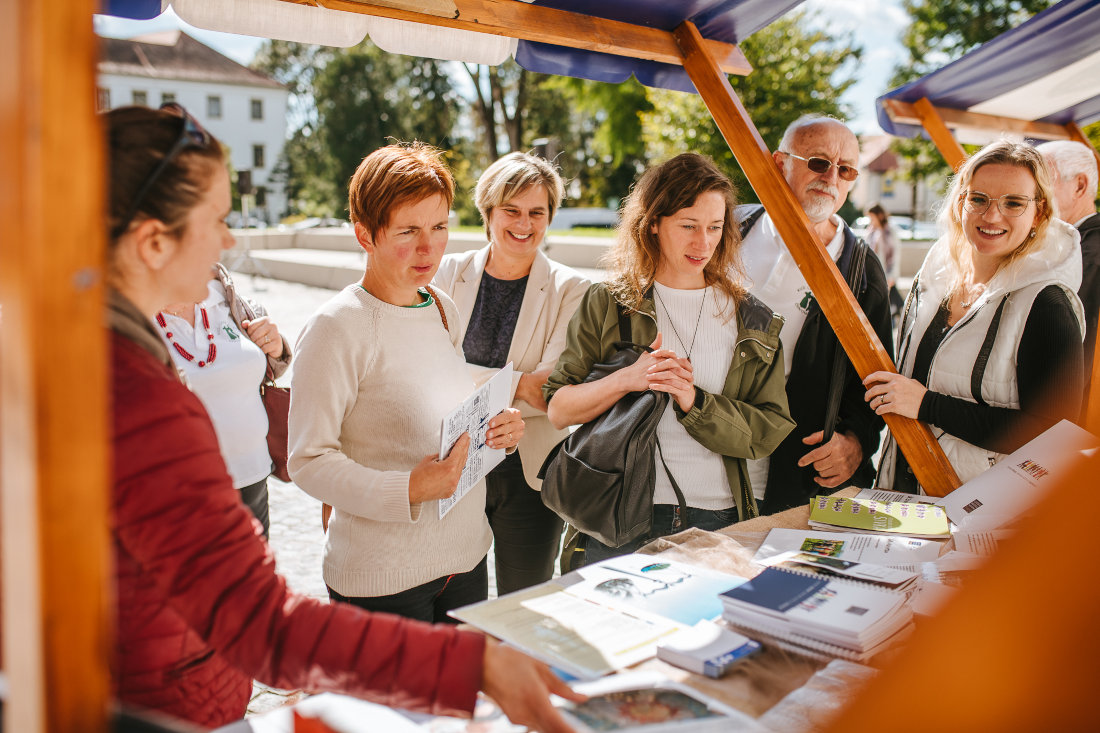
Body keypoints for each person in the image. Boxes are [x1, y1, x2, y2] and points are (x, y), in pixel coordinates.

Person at [105, 104, 579, 730]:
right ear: (152, 240)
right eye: (217, 220)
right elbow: (262, 620)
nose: (228, 242)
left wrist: (486, 425)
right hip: (166, 700)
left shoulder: (440, 305)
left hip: (173, 682)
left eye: (438, 227)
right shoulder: (145, 400)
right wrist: (472, 666)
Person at [289, 142, 527, 624]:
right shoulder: (335, 327)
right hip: (383, 579)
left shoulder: (442, 306)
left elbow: (436, 409)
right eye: (408, 231)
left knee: (461, 702)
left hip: (466, 558)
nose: (429, 247)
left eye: (439, 227)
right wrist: (409, 489)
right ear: (364, 234)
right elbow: (308, 462)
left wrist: (495, 430)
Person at [543, 153, 794, 568]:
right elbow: (557, 409)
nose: (703, 243)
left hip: (721, 520)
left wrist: (695, 402)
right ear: (654, 223)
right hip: (621, 515)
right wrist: (627, 379)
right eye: (688, 226)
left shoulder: (753, 319)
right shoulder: (609, 302)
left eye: (715, 228)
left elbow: (768, 431)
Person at [871, 140, 1085, 491]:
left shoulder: (1046, 304)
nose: (991, 216)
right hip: (903, 496)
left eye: (1013, 203)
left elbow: (1052, 434)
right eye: (979, 199)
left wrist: (928, 405)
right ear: (960, 203)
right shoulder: (932, 282)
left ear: (1040, 212)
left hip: (982, 518)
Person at [433, 152, 591, 594]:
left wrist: (460, 376)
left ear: (550, 217)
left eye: (536, 212)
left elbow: (550, 392)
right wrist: (515, 380)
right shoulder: (447, 273)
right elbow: (422, 372)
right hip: (453, 463)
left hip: (530, 471)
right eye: (512, 210)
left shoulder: (571, 290)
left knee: (525, 602)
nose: (524, 223)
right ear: (488, 211)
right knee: (458, 601)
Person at [737, 115, 893, 514]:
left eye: (846, 170)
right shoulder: (728, 229)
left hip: (792, 475)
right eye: (819, 162)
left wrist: (857, 442)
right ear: (779, 163)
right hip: (701, 465)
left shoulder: (860, 267)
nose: (832, 178)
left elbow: (876, 379)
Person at [155, 263, 289, 537]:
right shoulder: (134, 316)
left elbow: (259, 365)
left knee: (253, 576)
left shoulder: (225, 295)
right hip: (183, 492)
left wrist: (276, 347)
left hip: (253, 477)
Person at [1036, 140, 1099, 418]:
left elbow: (1075, 344)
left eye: (1042, 184)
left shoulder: (1087, 254)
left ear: (1079, 186)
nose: (1033, 198)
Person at [865, 203, 904, 324]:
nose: (872, 221)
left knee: (885, 308)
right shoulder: (871, 232)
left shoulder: (890, 232)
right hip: (873, 275)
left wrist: (892, 276)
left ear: (880, 216)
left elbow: (895, 256)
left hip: (886, 275)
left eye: (873, 218)